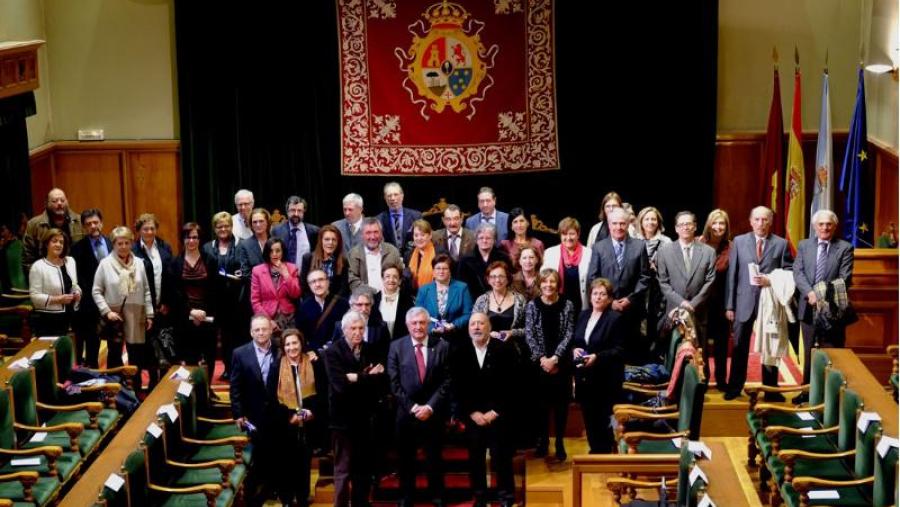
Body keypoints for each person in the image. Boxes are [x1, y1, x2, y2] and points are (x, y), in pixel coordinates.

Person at [724, 206, 793, 401]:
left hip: (770, 303)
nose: (761, 223)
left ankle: (771, 390)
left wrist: (770, 280)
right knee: (739, 347)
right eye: (757, 219)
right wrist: (730, 306)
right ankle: (734, 387)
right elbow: (732, 275)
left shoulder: (781, 244)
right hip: (743, 302)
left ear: (770, 222)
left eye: (765, 220)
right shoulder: (739, 242)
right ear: (751, 221)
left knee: (769, 346)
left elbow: (789, 272)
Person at [388, 307, 452, 507]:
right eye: (414, 323)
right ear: (407, 325)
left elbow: (447, 380)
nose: (418, 327)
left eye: (422, 323)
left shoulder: (442, 346)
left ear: (428, 324)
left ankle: (437, 496)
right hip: (406, 414)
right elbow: (394, 383)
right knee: (406, 459)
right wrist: (414, 407)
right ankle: (406, 497)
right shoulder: (396, 347)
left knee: (434, 457)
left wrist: (430, 407)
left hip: (433, 413)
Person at [451, 313, 516, 507]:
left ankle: (506, 496)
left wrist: (495, 411)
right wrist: (472, 412)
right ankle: (480, 496)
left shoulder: (505, 350)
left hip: (498, 415)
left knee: (502, 457)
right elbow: (456, 386)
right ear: (468, 328)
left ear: (489, 327)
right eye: (473, 324)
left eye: (481, 323)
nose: (477, 327)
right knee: (475, 458)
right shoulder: (459, 351)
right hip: (473, 416)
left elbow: (513, 385)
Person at [325, 311, 386, 507]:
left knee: (363, 470)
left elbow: (380, 383)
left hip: (366, 419)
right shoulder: (332, 352)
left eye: (361, 328)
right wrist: (367, 376)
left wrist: (356, 377)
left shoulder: (371, 349)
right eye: (353, 328)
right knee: (343, 470)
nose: (358, 332)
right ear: (344, 330)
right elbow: (340, 386)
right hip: (342, 422)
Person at [793, 209, 854, 397]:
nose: (825, 227)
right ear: (814, 226)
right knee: (809, 351)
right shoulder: (804, 245)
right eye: (821, 224)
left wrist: (820, 295)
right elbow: (798, 272)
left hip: (832, 309)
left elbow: (845, 278)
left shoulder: (845, 248)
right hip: (807, 306)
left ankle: (831, 396)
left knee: (833, 352)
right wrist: (810, 292)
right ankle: (806, 392)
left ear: (835, 226)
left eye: (829, 224)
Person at [586, 207, 650, 361]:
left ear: (628, 224)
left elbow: (645, 277)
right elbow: (593, 278)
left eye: (622, 223)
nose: (618, 227)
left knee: (631, 355)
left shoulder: (639, 246)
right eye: (614, 223)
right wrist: (610, 301)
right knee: (608, 354)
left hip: (632, 311)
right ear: (609, 224)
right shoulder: (599, 247)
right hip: (606, 310)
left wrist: (630, 299)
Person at [525, 268, 575, 461]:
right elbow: (529, 334)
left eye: (552, 281)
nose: (548, 285)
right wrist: (542, 359)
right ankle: (543, 441)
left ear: (558, 284)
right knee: (541, 406)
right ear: (540, 284)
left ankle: (560, 442)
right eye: (545, 281)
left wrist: (555, 358)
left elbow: (569, 333)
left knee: (561, 406)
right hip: (539, 365)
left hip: (561, 364)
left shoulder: (567, 304)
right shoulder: (532, 305)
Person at [92, 226, 154, 383]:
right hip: (115, 316)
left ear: (132, 243)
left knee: (136, 356)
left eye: (127, 243)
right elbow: (96, 291)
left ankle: (136, 388)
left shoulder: (139, 263)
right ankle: (115, 388)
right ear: (113, 244)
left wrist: (149, 314)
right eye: (119, 243)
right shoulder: (105, 264)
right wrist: (107, 312)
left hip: (136, 314)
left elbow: (146, 290)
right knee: (114, 356)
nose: (124, 246)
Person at [230, 315, 280, 506]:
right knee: (258, 453)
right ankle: (255, 494)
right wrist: (238, 413)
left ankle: (273, 489)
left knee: (275, 451)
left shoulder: (280, 349)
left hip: (277, 411)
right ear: (251, 332)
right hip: (253, 413)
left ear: (271, 330)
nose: (261, 333)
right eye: (257, 330)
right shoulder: (240, 353)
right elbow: (235, 386)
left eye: (264, 329)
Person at [572, 278, 624, 453]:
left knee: (603, 420)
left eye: (602, 294)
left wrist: (597, 357)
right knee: (589, 417)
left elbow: (619, 350)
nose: (598, 297)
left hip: (605, 378)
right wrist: (574, 349)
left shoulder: (615, 318)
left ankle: (605, 453)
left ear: (609, 299)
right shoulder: (583, 315)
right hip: (584, 376)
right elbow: (576, 340)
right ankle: (595, 451)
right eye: (595, 293)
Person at [656, 211, 716, 363]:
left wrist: (693, 304)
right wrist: (682, 302)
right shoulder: (664, 252)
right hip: (674, 312)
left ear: (695, 226)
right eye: (681, 224)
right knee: (675, 355)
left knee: (700, 357)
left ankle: (701, 379)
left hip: (699, 311)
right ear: (676, 228)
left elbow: (710, 281)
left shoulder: (708, 252)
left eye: (688, 224)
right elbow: (663, 282)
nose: (685, 227)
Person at [163, 223, 219, 380]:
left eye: (195, 237)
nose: (192, 241)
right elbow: (173, 292)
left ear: (200, 239)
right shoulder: (174, 263)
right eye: (188, 237)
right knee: (189, 357)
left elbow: (215, 289)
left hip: (207, 315)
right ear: (183, 239)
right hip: (184, 316)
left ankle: (206, 389)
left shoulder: (211, 260)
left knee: (209, 356)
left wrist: (203, 313)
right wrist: (191, 312)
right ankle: (192, 390)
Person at [274, 328, 318, 507]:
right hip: (286, 423)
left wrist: (311, 411)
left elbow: (321, 393)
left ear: (301, 343)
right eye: (287, 344)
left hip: (309, 422)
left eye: (295, 343)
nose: (291, 347)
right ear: (283, 347)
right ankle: (286, 499)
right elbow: (272, 398)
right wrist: (289, 416)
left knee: (304, 463)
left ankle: (302, 498)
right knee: (286, 463)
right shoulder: (276, 366)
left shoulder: (313, 363)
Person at [203, 211, 243, 380]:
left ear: (231, 227)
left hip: (236, 299)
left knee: (234, 337)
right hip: (214, 300)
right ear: (214, 228)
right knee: (215, 338)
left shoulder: (241, 245)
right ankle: (222, 367)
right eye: (219, 226)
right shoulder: (207, 247)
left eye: (226, 226)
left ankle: (234, 368)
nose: (223, 229)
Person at [71, 208, 112, 367]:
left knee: (115, 343)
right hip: (90, 304)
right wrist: (95, 297)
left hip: (114, 300)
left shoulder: (112, 243)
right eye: (88, 224)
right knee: (92, 343)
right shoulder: (77, 248)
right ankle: (92, 373)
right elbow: (79, 278)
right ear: (83, 227)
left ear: (101, 223)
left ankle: (115, 373)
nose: (93, 226)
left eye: (96, 222)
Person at [699, 209, 733, 389]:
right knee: (702, 344)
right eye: (715, 223)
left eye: (722, 223)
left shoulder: (732, 247)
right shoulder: (698, 243)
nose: (718, 227)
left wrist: (731, 305)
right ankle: (702, 379)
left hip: (722, 302)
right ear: (708, 225)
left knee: (721, 344)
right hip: (701, 303)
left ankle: (721, 380)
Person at [29, 228, 81, 337]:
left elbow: (74, 285)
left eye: (61, 242)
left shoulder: (70, 261)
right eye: (54, 241)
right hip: (49, 320)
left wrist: (77, 293)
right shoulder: (38, 266)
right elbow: (34, 297)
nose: (58, 245)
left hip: (72, 316)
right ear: (46, 244)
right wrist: (58, 299)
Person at [634, 206, 672, 353]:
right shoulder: (634, 240)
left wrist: (658, 268)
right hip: (638, 288)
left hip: (658, 289)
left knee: (655, 321)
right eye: (647, 219)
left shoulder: (666, 242)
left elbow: (671, 268)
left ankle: (654, 354)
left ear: (658, 222)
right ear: (641, 221)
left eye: (653, 219)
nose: (650, 222)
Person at [23, 188, 84, 274]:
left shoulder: (80, 221)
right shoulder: (34, 224)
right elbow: (28, 258)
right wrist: (36, 276)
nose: (59, 203)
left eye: (62, 200)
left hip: (76, 273)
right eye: (54, 201)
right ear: (47, 203)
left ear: (67, 201)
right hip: (46, 275)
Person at [415, 254, 473, 344]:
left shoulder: (462, 288)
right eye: (438, 268)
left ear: (450, 271)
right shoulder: (424, 290)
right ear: (433, 271)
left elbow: (468, 313)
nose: (441, 271)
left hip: (456, 338)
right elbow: (418, 315)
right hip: (430, 339)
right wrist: (432, 328)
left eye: (445, 268)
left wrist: (453, 325)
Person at [132, 213, 174, 339]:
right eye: (145, 229)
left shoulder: (165, 247)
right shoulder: (133, 250)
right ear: (139, 230)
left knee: (163, 343)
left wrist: (166, 302)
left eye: (152, 228)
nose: (149, 232)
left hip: (163, 307)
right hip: (142, 308)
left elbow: (169, 277)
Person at [250, 237, 301, 338]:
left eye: (278, 251)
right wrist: (267, 320)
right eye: (271, 251)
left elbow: (296, 294)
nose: (274, 254)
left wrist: (286, 274)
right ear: (267, 253)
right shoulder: (257, 271)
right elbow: (255, 301)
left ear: (283, 252)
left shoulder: (292, 268)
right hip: (267, 316)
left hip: (288, 317)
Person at [471, 261, 526, 346]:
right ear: (488, 280)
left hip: (514, 348)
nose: (497, 280)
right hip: (486, 347)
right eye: (493, 277)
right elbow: (473, 327)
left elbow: (529, 328)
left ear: (508, 279)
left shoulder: (520, 300)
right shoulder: (481, 300)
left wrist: (512, 333)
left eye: (501, 276)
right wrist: (487, 334)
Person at [296, 269, 351, 352]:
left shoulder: (343, 304)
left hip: (338, 352)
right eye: (313, 282)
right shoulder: (304, 307)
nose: (317, 284)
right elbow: (301, 335)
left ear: (328, 282)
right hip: (314, 353)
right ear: (309, 285)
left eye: (321, 280)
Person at [543, 217, 591, 311]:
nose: (568, 238)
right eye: (564, 234)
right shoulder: (549, 253)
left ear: (578, 234)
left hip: (581, 304)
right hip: (557, 304)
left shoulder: (589, 253)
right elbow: (543, 280)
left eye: (571, 234)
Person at [457, 223, 511, 301]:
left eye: (488, 238)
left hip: (499, 299)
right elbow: (462, 284)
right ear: (476, 240)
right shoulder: (465, 260)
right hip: (473, 300)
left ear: (494, 240)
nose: (484, 241)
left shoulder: (503, 258)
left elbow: (508, 280)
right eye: (481, 238)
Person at [347, 217, 403, 293]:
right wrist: (374, 293)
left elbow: (400, 275)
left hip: (391, 296)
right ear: (362, 235)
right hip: (365, 297)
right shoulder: (354, 253)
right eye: (368, 233)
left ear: (381, 233)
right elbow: (353, 280)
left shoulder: (392, 251)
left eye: (376, 232)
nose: (372, 237)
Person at [300, 224, 349, 298]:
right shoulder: (308, 258)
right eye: (327, 239)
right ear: (321, 241)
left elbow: (343, 289)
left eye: (334, 240)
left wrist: (332, 303)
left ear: (338, 242)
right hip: (312, 301)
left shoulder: (343, 261)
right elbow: (304, 286)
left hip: (334, 302)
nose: (330, 243)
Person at [272, 195, 320, 268]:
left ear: (304, 212)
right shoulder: (277, 231)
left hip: (306, 274)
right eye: (293, 210)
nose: (296, 214)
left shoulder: (314, 231)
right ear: (287, 211)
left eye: (299, 211)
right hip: (282, 273)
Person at [377, 182, 422, 258]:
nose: (392, 198)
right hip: (389, 260)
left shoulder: (416, 216)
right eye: (389, 196)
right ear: (385, 198)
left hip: (412, 259)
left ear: (402, 196)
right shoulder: (379, 219)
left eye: (396, 194)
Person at [373, 263, 413, 339]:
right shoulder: (374, 300)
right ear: (382, 279)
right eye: (387, 276)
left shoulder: (408, 301)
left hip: (400, 343)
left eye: (395, 277)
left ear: (400, 281)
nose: (391, 280)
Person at [405, 219, 436, 294]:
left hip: (433, 295)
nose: (419, 238)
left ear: (430, 235)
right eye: (416, 235)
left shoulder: (438, 253)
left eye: (422, 235)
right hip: (413, 296)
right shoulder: (408, 255)